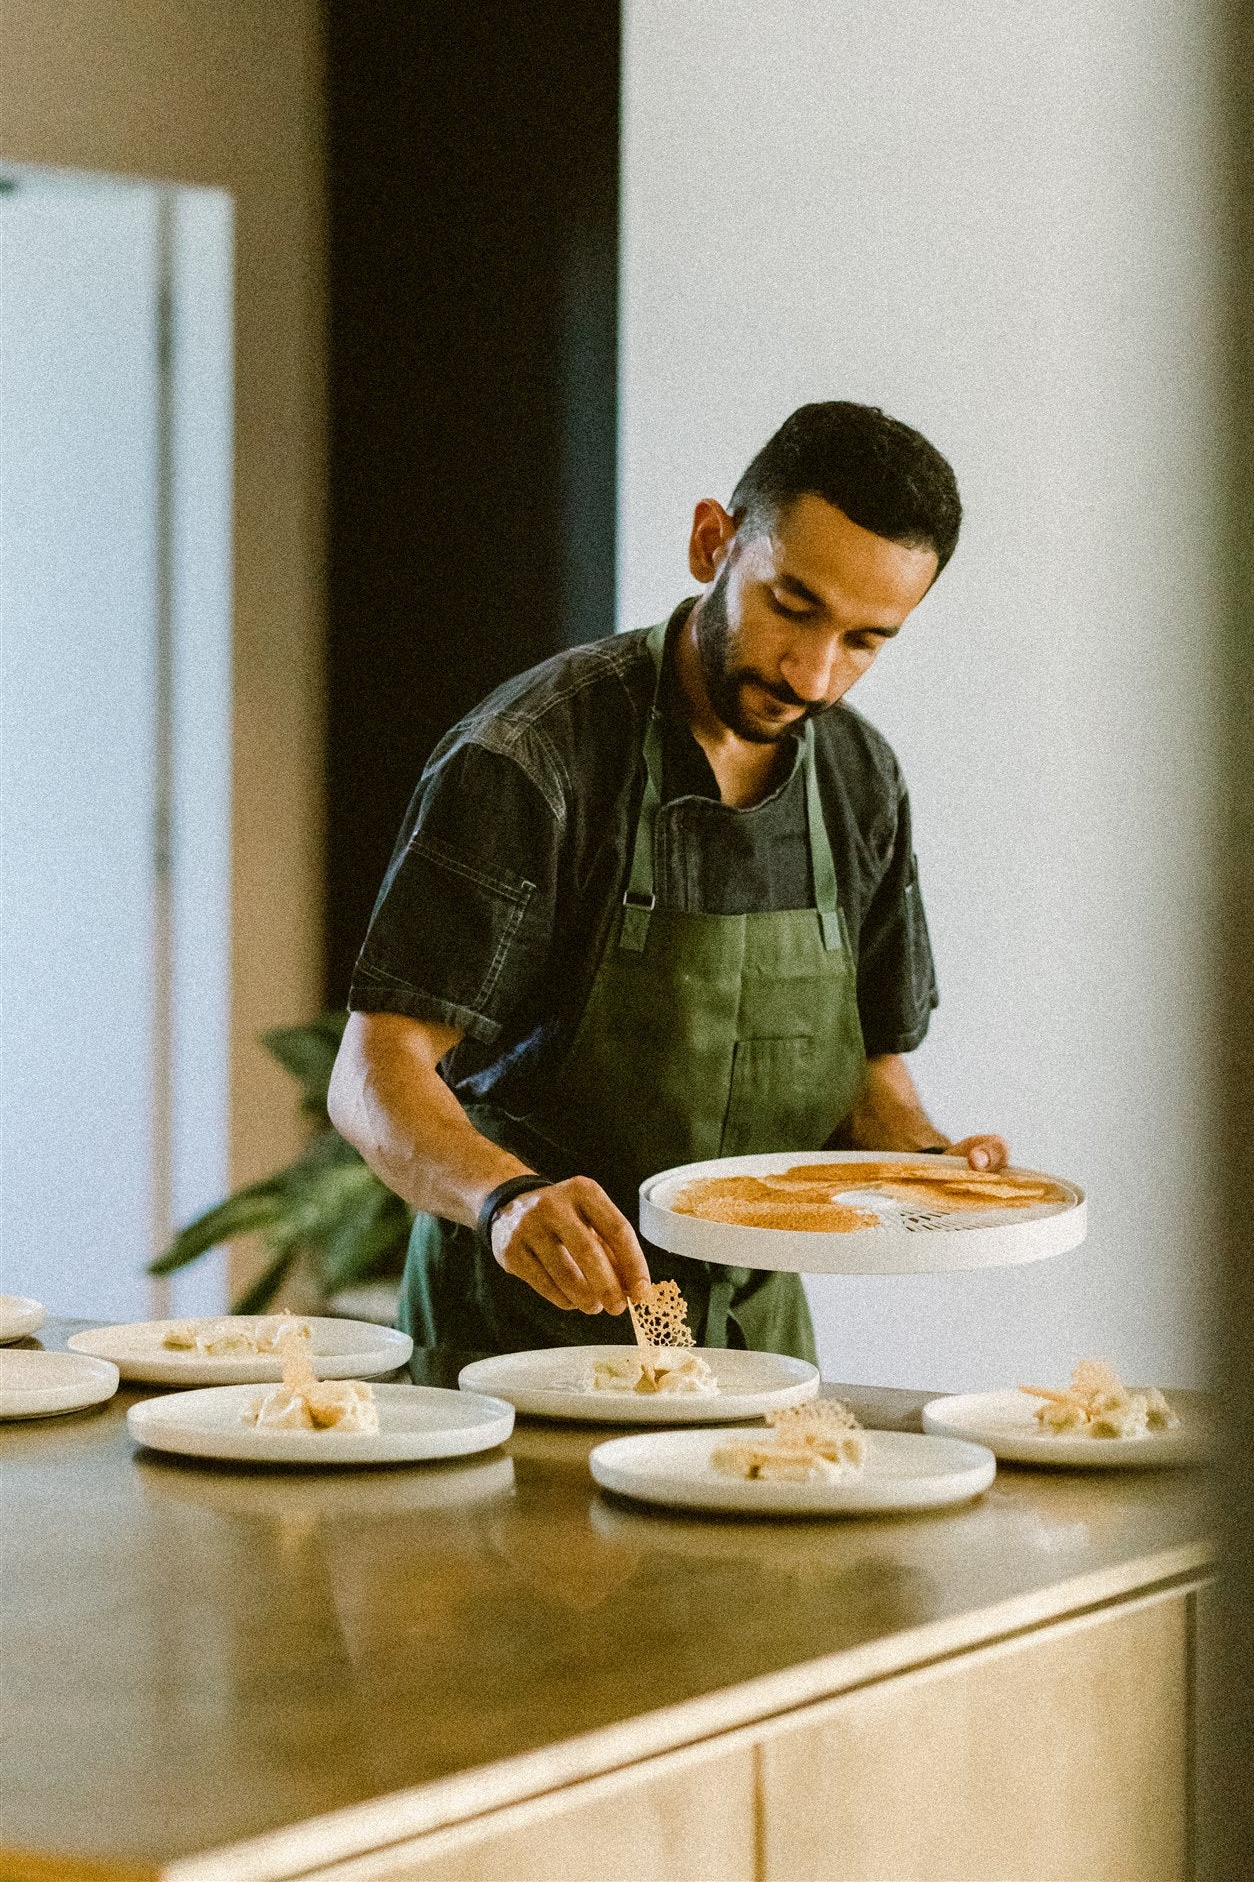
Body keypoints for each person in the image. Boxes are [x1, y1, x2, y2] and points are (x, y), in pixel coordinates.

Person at [328, 401, 1008, 1374]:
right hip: (529, 1336)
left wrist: (934, 1169)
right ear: (711, 542)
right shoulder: (533, 758)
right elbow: (373, 1070)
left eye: (864, 641)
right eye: (793, 604)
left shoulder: (862, 780)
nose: (814, 673)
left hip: (755, 1349)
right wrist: (505, 1197)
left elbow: (871, 1078)